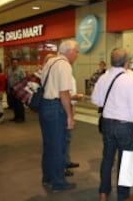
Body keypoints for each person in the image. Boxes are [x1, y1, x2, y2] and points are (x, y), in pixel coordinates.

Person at [91, 48, 133, 201]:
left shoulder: (104, 77)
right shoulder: (129, 79)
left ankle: (103, 192)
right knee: (125, 161)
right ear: (126, 62)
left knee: (107, 158)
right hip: (124, 125)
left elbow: (95, 100)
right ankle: (123, 196)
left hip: (107, 124)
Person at [39, 40, 79, 192]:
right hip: (56, 109)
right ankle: (58, 182)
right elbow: (64, 93)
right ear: (69, 51)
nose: (77, 55)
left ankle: (47, 176)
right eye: (76, 51)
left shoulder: (50, 62)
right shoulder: (64, 65)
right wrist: (69, 116)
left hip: (45, 106)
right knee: (58, 146)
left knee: (48, 145)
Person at [7, 58, 25, 122]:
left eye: (16, 63)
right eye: (13, 63)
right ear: (12, 63)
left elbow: (24, 80)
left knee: (19, 104)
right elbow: (8, 80)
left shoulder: (21, 70)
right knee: (14, 104)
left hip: (18, 89)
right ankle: (16, 116)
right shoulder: (9, 70)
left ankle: (21, 118)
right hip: (12, 89)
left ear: (18, 63)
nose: (14, 64)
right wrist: (8, 89)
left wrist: (21, 89)